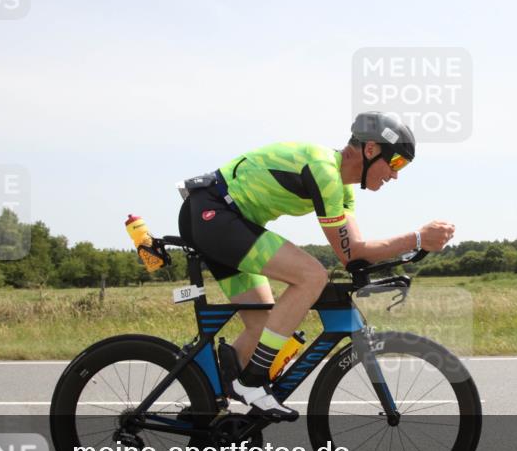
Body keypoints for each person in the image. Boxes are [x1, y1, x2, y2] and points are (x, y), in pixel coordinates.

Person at [177, 111, 455, 420]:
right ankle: (252, 382)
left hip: (227, 222)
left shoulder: (343, 189)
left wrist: (407, 252)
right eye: (396, 163)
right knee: (312, 276)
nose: (395, 175)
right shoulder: (323, 170)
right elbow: (352, 253)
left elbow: (355, 254)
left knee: (263, 324)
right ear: (371, 149)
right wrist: (417, 238)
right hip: (214, 214)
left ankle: (208, 409)